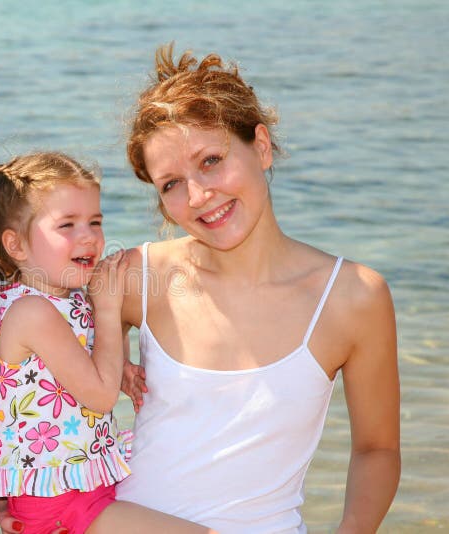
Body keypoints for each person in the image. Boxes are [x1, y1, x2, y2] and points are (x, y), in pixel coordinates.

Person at [114, 45, 401, 533]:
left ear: (262, 147)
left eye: (211, 160)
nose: (199, 196)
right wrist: (105, 352)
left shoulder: (353, 297)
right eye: (171, 184)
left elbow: (377, 449)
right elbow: (25, 350)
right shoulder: (136, 277)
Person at [0, 152, 215, 534]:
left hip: (83, 481)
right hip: (59, 500)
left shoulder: (62, 295)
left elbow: (69, 369)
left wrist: (118, 366)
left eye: (95, 221)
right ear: (16, 245)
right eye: (67, 225)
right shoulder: (32, 312)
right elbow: (101, 397)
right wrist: (107, 310)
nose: (88, 236)